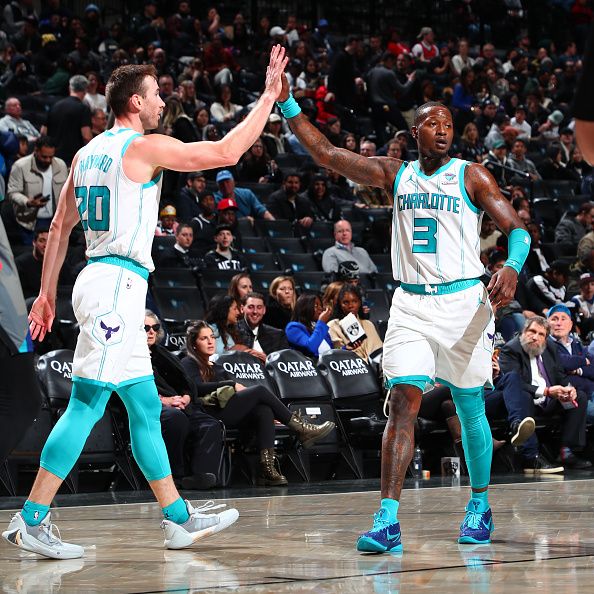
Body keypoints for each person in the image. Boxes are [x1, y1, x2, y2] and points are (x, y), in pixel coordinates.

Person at [2, 46, 289, 559]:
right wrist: (268, 97)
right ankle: (32, 519)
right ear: (135, 102)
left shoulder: (87, 155)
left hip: (105, 281)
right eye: (156, 94)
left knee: (143, 404)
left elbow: (59, 225)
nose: (162, 102)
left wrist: (47, 294)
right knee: (87, 403)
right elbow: (224, 152)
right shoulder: (143, 146)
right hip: (115, 284)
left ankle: (177, 518)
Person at [276, 76, 528, 552]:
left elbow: (517, 230)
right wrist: (286, 101)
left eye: (449, 124)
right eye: (432, 123)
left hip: (463, 304)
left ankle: (479, 504)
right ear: (415, 132)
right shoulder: (396, 174)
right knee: (403, 402)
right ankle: (387, 519)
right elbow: (328, 155)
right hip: (411, 303)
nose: (442, 130)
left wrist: (511, 267)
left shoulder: (471, 175)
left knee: (470, 406)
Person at [181, 321, 334, 486]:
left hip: (227, 410)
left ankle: (266, 469)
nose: (210, 342)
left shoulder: (217, 367)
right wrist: (229, 385)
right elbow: (196, 388)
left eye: (211, 337)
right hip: (208, 413)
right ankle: (301, 428)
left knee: (264, 410)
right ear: (194, 343)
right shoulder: (188, 363)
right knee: (259, 391)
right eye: (204, 338)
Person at [498, 315, 590, 471]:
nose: (535, 337)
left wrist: (567, 389)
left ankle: (566, 451)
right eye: (532, 331)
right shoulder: (511, 350)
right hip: (527, 401)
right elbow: (515, 385)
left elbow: (559, 375)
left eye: (541, 334)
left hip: (549, 400)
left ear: (546, 339)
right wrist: (546, 391)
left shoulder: (550, 349)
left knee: (579, 396)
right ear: (523, 332)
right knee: (524, 397)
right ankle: (531, 457)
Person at [145, 311, 222, 490]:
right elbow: (132, 391)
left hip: (180, 403)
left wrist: (186, 398)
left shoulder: (162, 354)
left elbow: (187, 384)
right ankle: (176, 476)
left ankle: (200, 475)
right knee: (175, 418)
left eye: (155, 328)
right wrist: (165, 400)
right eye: (145, 328)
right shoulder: (130, 358)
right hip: (151, 405)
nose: (151, 332)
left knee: (210, 424)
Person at [7, 136, 68, 245]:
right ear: (36, 151)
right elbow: (12, 192)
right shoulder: (20, 166)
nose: (48, 160)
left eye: (51, 157)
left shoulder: (61, 166)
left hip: (54, 221)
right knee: (32, 256)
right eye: (44, 157)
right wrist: (28, 202)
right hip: (30, 223)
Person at [40, 75, 92, 165]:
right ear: (85, 90)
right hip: (73, 159)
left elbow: (43, 132)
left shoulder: (55, 106)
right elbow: (86, 136)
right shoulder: (83, 108)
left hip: (54, 158)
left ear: (70, 88)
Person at [327, 283, 383, 362]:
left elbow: (379, 351)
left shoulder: (368, 324)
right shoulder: (332, 326)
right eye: (346, 302)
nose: (351, 306)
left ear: (360, 303)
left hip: (375, 368)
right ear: (340, 304)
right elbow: (335, 354)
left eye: (354, 301)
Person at [286, 293, 333, 357]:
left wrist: (344, 349)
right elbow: (310, 348)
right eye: (316, 306)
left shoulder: (319, 327)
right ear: (305, 307)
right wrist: (321, 322)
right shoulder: (293, 327)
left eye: (320, 305)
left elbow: (330, 351)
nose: (320, 309)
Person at [15, 229, 47, 299]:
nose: (46, 245)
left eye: (50, 241)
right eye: (42, 241)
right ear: (34, 242)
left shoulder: (60, 263)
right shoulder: (21, 264)